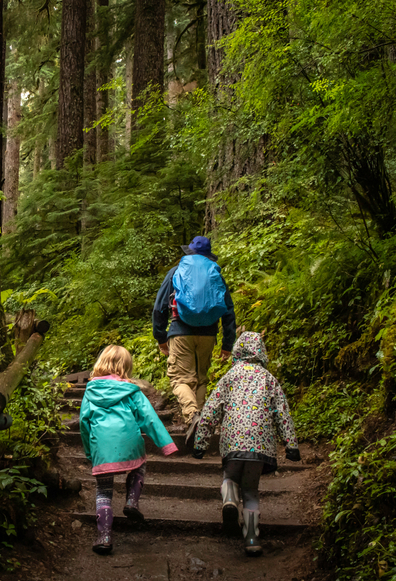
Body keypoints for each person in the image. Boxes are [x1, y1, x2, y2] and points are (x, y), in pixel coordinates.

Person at [192, 331, 300, 556]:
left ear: (237, 351)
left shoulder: (230, 377)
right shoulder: (268, 379)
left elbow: (212, 409)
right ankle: (252, 538)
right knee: (251, 490)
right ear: (261, 352)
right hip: (260, 446)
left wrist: (200, 443)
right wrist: (291, 445)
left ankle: (230, 500)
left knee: (230, 477)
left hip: (233, 443)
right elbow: (282, 412)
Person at [79, 345, 178, 554]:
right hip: (129, 441)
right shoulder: (132, 390)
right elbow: (149, 418)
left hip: (102, 446)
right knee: (139, 465)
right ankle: (132, 501)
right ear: (126, 366)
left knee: (104, 491)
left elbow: (83, 423)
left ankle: (104, 536)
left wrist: (90, 452)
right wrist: (166, 444)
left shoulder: (90, 391)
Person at [151, 236, 237, 432]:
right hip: (208, 334)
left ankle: (193, 415)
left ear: (189, 251)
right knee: (200, 378)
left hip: (180, 332)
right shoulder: (215, 273)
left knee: (180, 379)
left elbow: (160, 307)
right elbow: (228, 311)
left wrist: (160, 337)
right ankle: (201, 424)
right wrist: (227, 344)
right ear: (208, 255)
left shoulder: (176, 272)